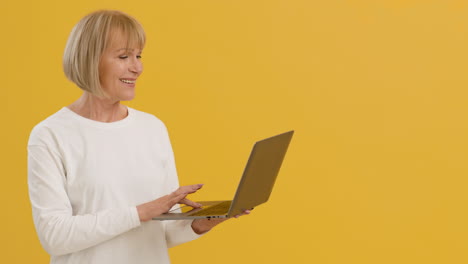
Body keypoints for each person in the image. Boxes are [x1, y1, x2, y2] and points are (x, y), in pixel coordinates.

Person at [27, 10, 250, 264]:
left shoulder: (152, 128)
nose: (137, 68)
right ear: (90, 59)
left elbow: (162, 231)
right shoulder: (51, 135)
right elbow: (54, 236)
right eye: (124, 56)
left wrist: (200, 223)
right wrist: (141, 212)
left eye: (138, 55)